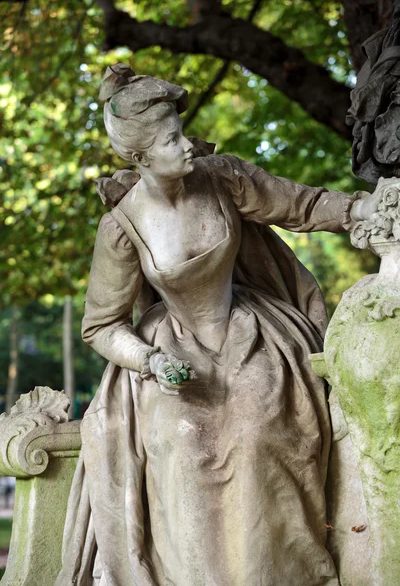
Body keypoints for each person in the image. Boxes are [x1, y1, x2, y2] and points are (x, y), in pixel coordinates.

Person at [56, 64, 377, 586]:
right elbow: (101, 326)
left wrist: (365, 208)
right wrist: (151, 361)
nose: (187, 145)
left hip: (251, 333)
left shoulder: (223, 176)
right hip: (170, 352)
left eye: (181, 131)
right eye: (171, 140)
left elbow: (303, 205)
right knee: (180, 445)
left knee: (259, 431)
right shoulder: (121, 227)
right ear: (139, 158)